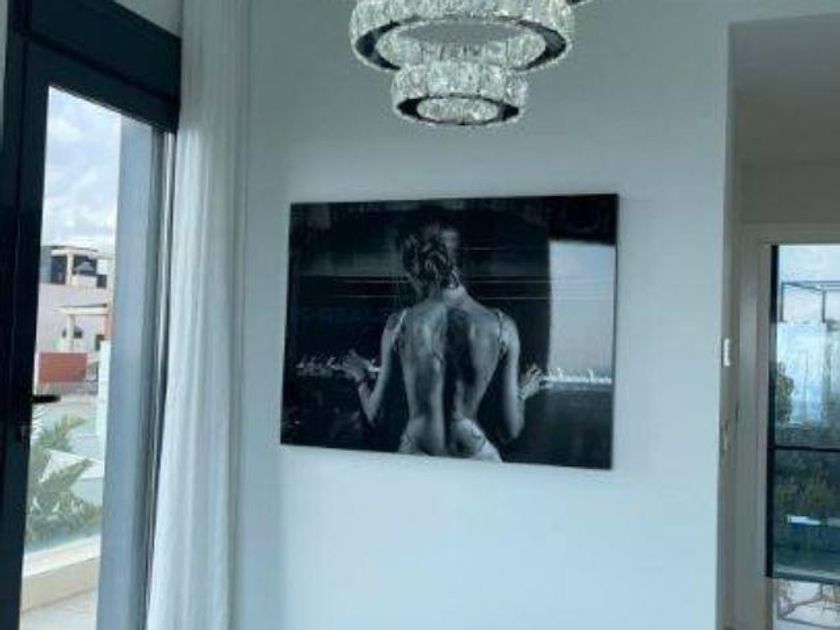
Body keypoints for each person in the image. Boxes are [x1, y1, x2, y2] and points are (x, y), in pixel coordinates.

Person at [340, 217, 545, 461]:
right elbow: (510, 431)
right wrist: (521, 393)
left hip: (416, 454)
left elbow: (375, 416)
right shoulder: (504, 326)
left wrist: (361, 377)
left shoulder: (399, 323)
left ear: (416, 271)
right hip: (475, 457)